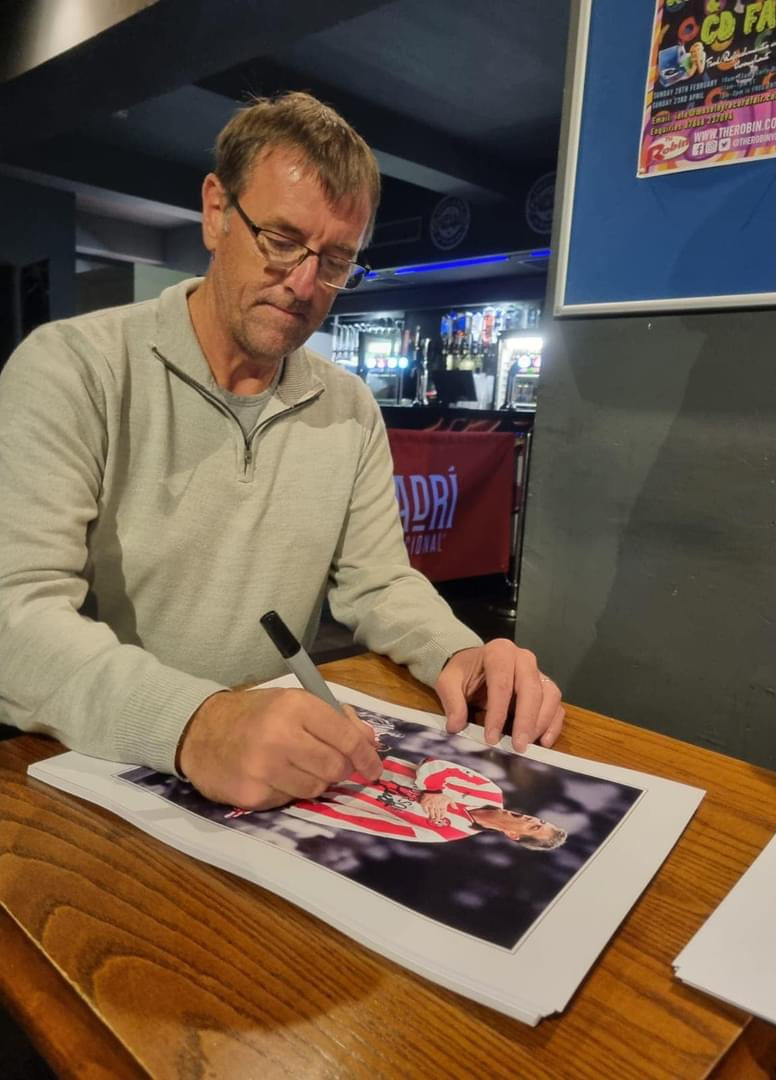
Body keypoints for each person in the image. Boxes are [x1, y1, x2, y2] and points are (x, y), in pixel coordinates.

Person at [0, 91, 564, 810]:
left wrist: (461, 653)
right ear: (214, 210)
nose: (303, 283)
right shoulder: (74, 368)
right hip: (85, 770)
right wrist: (196, 723)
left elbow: (378, 583)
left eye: (335, 260)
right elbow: (15, 619)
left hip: (267, 782)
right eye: (281, 240)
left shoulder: (349, 405)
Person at [231, 754, 568, 850]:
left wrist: (287, 802)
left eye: (533, 827)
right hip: (344, 756)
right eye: (537, 819)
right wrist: (434, 790)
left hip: (314, 785)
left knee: (245, 769)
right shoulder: (488, 791)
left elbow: (360, 821)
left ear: (514, 836)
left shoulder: (442, 834)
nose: (530, 818)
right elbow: (435, 764)